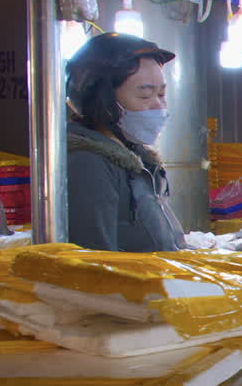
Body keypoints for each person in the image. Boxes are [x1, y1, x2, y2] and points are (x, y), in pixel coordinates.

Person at [65, 32, 185, 252]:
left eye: (161, 94)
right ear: (103, 100)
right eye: (145, 96)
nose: (159, 107)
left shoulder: (139, 160)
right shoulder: (88, 165)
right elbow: (95, 268)